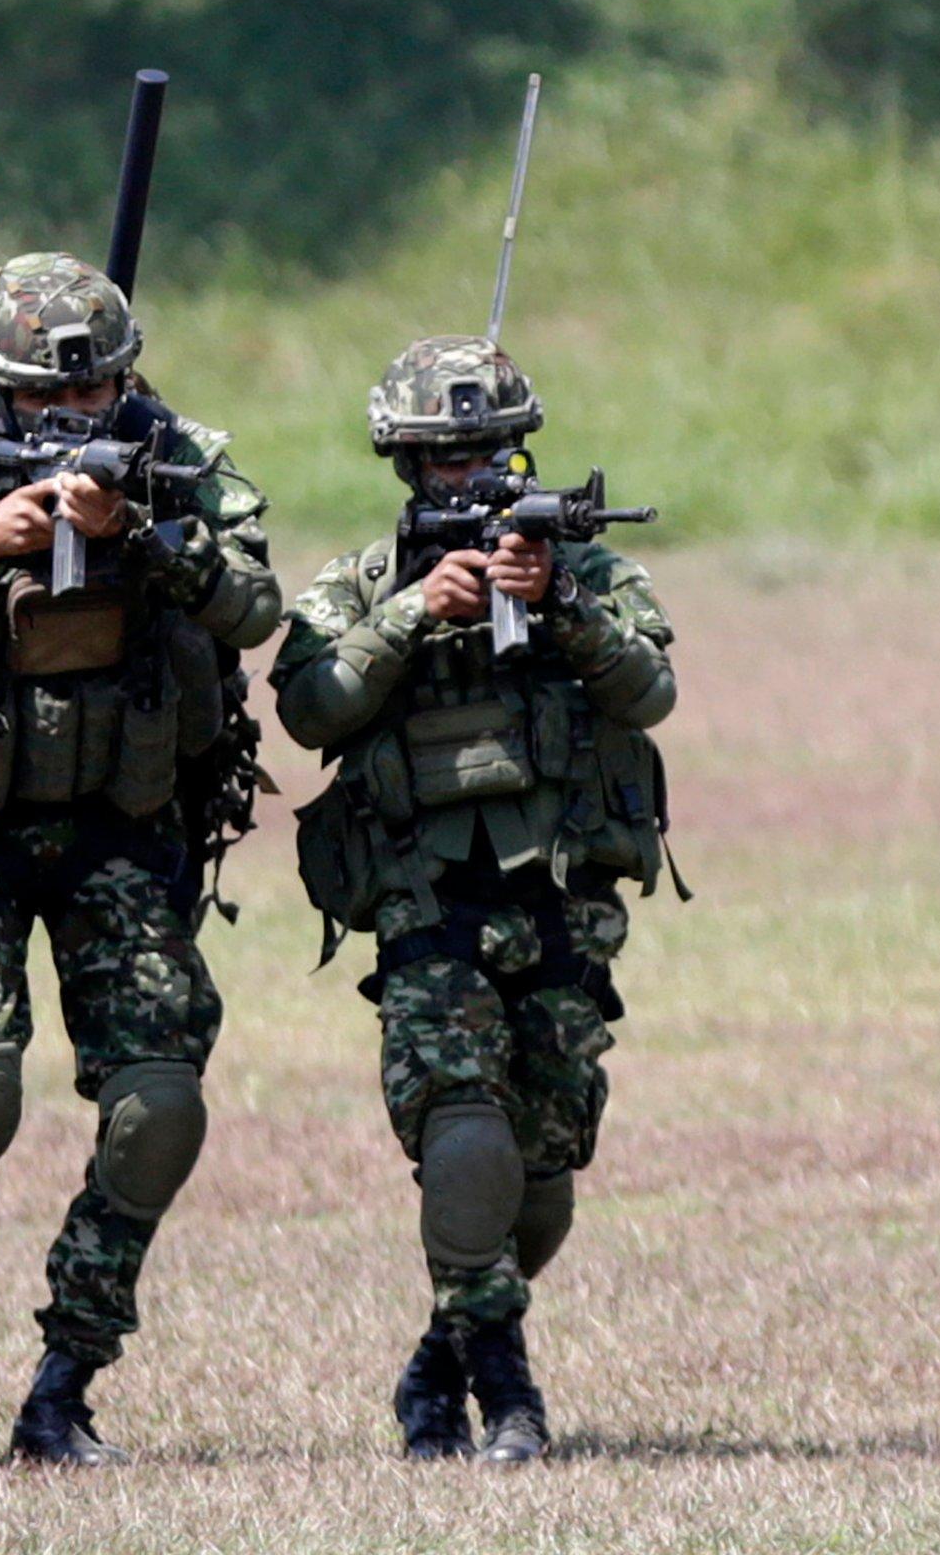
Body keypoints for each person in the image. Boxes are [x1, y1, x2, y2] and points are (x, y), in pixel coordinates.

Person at [0, 252, 279, 1467]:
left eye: (88, 401)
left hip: (123, 828)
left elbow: (255, 604)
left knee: (159, 1106)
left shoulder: (176, 457)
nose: (68, 423)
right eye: (40, 403)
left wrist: (140, 535)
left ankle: (68, 1375)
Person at [269, 336, 676, 1464]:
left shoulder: (584, 572)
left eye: (487, 452)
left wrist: (561, 610)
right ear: (406, 467)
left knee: (541, 1181)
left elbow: (654, 691)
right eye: (442, 460)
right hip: (423, 899)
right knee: (462, 1141)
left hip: (560, 901)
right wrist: (410, 612)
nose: (468, 478)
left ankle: (436, 1363)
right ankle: (509, 1395)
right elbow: (313, 706)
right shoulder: (360, 580)